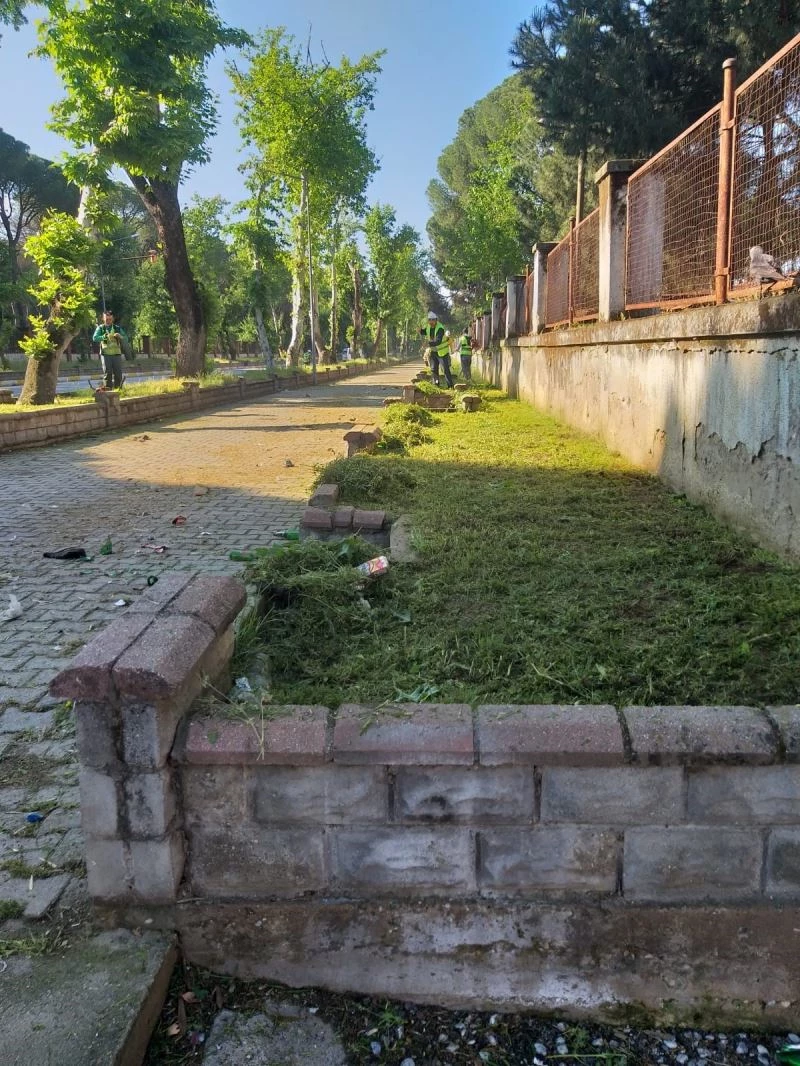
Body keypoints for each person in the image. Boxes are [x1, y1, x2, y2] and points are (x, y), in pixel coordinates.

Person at [92, 310, 129, 390]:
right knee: (107, 374)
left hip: (116, 354)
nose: (108, 321)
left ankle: (118, 391)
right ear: (103, 319)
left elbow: (126, 338)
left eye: (110, 319)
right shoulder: (100, 328)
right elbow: (95, 338)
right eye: (106, 319)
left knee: (118, 374)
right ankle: (108, 392)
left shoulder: (117, 328)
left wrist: (120, 336)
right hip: (106, 355)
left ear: (113, 319)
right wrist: (104, 337)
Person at [419, 310, 453, 388]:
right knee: (434, 369)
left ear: (436, 320)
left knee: (445, 369)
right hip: (433, 352)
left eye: (433, 320)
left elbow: (438, 341)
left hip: (442, 352)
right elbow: (425, 332)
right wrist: (421, 331)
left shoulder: (440, 328)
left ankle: (450, 386)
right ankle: (436, 384)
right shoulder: (428, 326)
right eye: (430, 320)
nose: (431, 322)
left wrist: (428, 343)